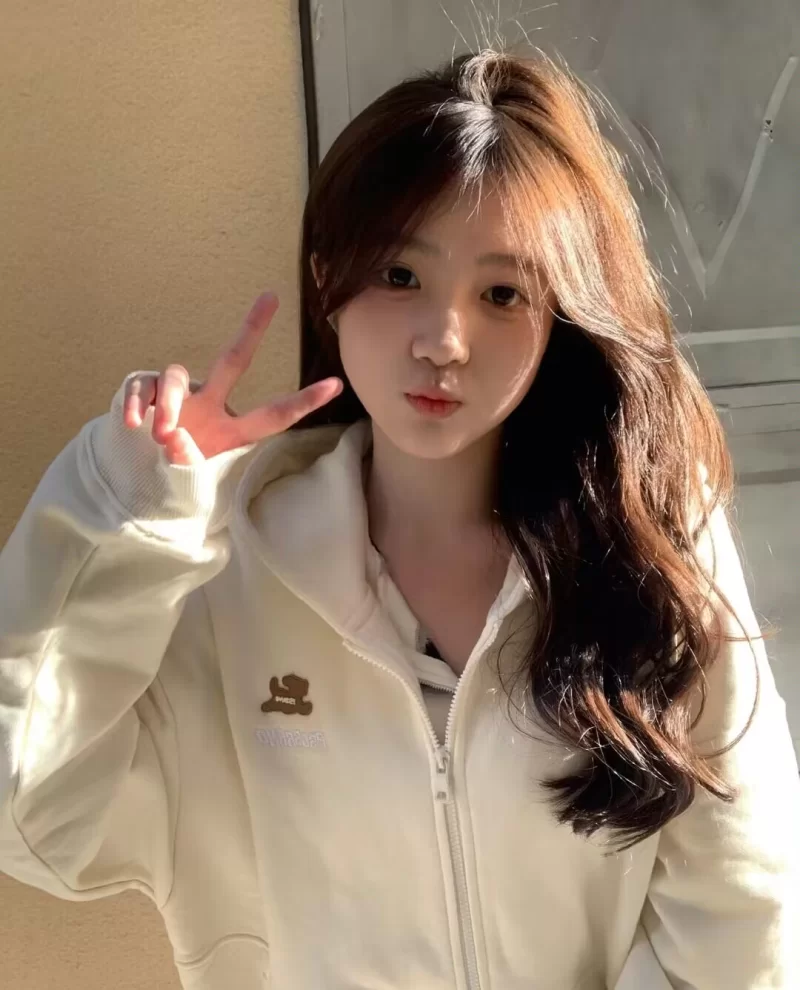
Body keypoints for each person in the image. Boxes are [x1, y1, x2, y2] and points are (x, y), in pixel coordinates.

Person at [1, 47, 798, 990]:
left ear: (560, 316)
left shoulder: (651, 547)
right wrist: (130, 516)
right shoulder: (224, 574)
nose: (444, 341)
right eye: (399, 275)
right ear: (327, 278)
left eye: (501, 294)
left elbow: (743, 913)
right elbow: (32, 813)